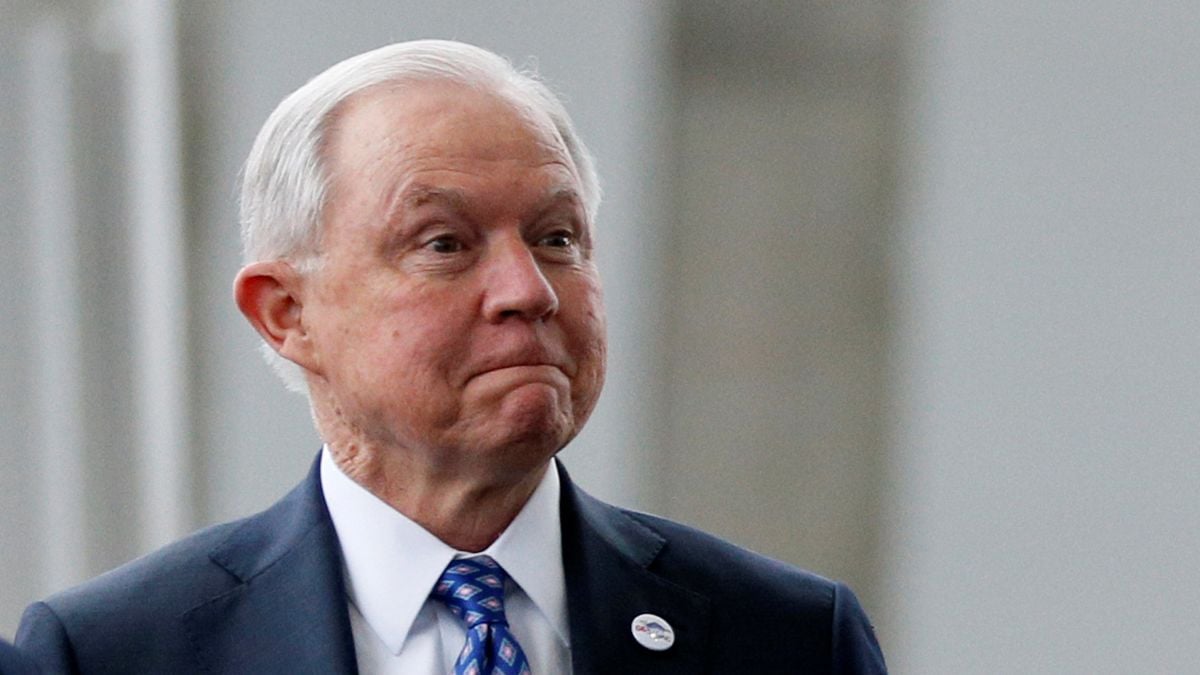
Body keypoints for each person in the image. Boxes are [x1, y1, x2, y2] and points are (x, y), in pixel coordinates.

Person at [15, 40, 886, 673]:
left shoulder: (788, 637)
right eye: (444, 243)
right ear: (288, 314)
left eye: (556, 237)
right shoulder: (114, 651)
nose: (528, 290)